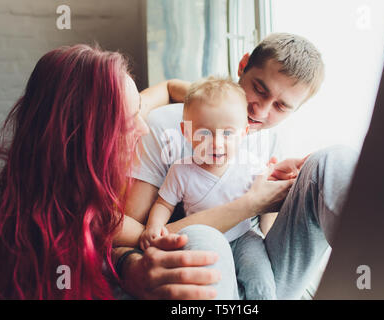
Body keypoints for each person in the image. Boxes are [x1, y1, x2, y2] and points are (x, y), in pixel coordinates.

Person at [0, 44, 289, 299]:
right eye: (129, 118)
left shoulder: (91, 193)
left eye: (139, 111)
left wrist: (219, 102)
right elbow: (147, 236)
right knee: (204, 241)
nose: (143, 128)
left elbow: (169, 87)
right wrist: (252, 204)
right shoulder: (72, 208)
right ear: (87, 136)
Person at [120, 32, 359, 299]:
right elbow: (134, 235)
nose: (260, 111)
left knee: (333, 160)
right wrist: (251, 203)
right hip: (199, 272)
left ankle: (373, 264)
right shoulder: (165, 127)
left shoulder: (269, 139)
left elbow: (269, 233)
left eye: (281, 106)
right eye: (259, 89)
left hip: (255, 268)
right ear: (242, 65)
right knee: (204, 236)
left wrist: (279, 186)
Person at [137, 77, 282, 299]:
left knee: (261, 282)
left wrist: (278, 176)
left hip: (244, 238)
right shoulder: (181, 171)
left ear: (243, 133)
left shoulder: (251, 164)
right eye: (204, 133)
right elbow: (163, 203)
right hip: (203, 242)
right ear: (186, 132)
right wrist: (153, 227)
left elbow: (268, 198)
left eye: (227, 133)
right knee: (211, 286)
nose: (217, 143)